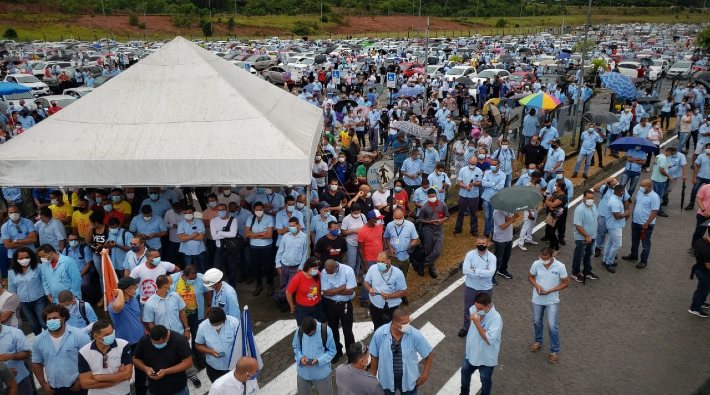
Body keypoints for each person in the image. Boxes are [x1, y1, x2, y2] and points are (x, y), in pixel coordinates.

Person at [369, 308, 433, 395]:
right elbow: (374, 356)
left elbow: (429, 354)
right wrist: (373, 377)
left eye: (408, 322)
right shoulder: (380, 334)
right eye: (404, 324)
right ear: (394, 323)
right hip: (386, 380)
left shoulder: (414, 334)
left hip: (409, 380)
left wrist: (425, 375)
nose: (407, 325)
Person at [31, 303, 91, 395]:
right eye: (49, 319)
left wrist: (81, 380)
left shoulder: (79, 336)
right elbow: (36, 363)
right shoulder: (39, 340)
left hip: (77, 386)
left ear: (63, 318)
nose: (52, 321)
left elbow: (90, 359)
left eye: (55, 318)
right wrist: (43, 384)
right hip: (54, 389)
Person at [528, 247, 569, 364]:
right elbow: (530, 276)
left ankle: (554, 351)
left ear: (551, 257)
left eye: (545, 258)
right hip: (537, 299)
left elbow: (566, 283)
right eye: (541, 257)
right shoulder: (537, 263)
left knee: (552, 326)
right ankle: (538, 341)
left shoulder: (560, 266)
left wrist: (552, 290)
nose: (542, 260)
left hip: (552, 301)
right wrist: (536, 286)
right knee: (536, 321)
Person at [460, 293, 502, 395]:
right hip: (471, 353)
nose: (477, 310)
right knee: (464, 373)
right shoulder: (474, 308)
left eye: (480, 308)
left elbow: (489, 340)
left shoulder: (496, 319)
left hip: (486, 357)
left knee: (485, 380)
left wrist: (478, 323)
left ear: (489, 306)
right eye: (476, 307)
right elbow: (471, 311)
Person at [78, 319, 134, 395]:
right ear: (96, 336)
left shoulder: (123, 345)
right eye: (107, 334)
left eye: (112, 332)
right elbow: (85, 384)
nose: (111, 336)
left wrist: (100, 377)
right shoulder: (84, 352)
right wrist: (118, 379)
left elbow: (127, 375)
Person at [133, 325, 193, 395]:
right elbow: (136, 359)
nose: (158, 346)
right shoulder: (144, 340)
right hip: (154, 389)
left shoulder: (180, 340)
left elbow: (188, 363)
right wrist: (145, 368)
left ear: (167, 335)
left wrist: (166, 371)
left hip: (178, 389)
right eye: (154, 343)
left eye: (161, 343)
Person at [459, 237, 495, 338]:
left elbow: (491, 273)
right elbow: (465, 270)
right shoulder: (470, 254)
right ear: (476, 243)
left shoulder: (492, 257)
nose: (481, 245)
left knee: (484, 310)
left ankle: (482, 328)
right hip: (470, 287)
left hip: (485, 289)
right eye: (479, 243)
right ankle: (466, 327)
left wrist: (475, 270)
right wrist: (483, 273)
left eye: (483, 243)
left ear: (487, 244)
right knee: (468, 309)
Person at [321, 259, 357, 363]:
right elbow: (325, 292)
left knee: (348, 331)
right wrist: (341, 288)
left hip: (345, 305)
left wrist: (332, 291)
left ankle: (352, 356)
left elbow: (350, 291)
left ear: (335, 268)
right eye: (326, 271)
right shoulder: (324, 271)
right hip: (330, 304)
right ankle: (337, 352)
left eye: (329, 272)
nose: (327, 273)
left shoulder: (348, 271)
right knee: (332, 329)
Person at [621, 179, 660, 269]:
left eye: (643, 186)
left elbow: (655, 212)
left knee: (645, 243)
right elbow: (636, 202)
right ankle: (634, 255)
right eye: (641, 185)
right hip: (636, 222)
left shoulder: (654, 197)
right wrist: (634, 214)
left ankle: (643, 261)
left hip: (645, 224)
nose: (641, 187)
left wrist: (647, 223)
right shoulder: (640, 192)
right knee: (634, 240)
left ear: (649, 187)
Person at [364, 252, 408, 331]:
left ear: (389, 261)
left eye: (382, 262)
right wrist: (369, 289)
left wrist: (389, 296)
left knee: (392, 330)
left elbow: (404, 292)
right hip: (375, 306)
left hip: (392, 308)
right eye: (378, 261)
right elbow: (366, 282)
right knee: (377, 329)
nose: (379, 264)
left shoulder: (398, 273)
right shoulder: (373, 268)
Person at [292, 316, 336, 395]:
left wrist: (319, 360)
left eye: (310, 334)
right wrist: (301, 357)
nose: (308, 336)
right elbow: (296, 347)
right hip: (303, 373)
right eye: (306, 334)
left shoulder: (326, 330)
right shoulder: (300, 330)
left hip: (322, 374)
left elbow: (332, 351)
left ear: (315, 328)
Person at [195, 307, 240, 382]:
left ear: (224, 320)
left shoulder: (234, 322)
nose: (216, 327)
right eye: (213, 324)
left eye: (218, 324)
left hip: (233, 367)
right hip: (214, 368)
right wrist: (210, 351)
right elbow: (198, 345)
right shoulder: (202, 327)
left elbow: (242, 341)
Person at [8, 247, 47, 335]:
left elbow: (45, 282)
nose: (24, 260)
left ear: (31, 257)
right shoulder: (11, 272)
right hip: (23, 302)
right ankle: (40, 342)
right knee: (33, 325)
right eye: (21, 258)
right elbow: (12, 290)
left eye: (26, 257)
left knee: (43, 322)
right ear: (16, 259)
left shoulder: (38, 267)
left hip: (39, 299)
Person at [143, 275, 190, 343]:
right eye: (170, 283)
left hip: (180, 334)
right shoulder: (149, 303)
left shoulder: (175, 296)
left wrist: (187, 329)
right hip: (164, 338)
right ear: (164, 286)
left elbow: (182, 312)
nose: (172, 285)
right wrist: (158, 338)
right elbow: (150, 323)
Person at [416, 189, 449, 278]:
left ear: (436, 195)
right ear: (427, 197)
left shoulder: (443, 204)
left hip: (439, 230)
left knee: (437, 251)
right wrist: (429, 222)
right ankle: (431, 268)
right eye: (430, 197)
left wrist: (441, 220)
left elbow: (447, 216)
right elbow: (419, 219)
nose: (432, 198)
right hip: (428, 231)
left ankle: (422, 263)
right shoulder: (424, 207)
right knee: (429, 250)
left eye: (433, 196)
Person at [245, 202, 275, 297]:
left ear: (263, 209)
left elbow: (269, 235)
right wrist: (262, 234)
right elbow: (247, 234)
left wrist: (253, 235)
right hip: (254, 247)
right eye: (256, 210)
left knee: (268, 267)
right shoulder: (250, 218)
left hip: (267, 247)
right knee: (256, 267)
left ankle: (270, 285)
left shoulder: (269, 218)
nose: (258, 211)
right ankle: (259, 285)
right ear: (253, 210)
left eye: (260, 209)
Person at [570, 190, 600, 283]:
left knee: (589, 255)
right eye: (588, 198)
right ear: (583, 198)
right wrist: (587, 236)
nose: (590, 200)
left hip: (593, 236)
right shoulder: (579, 209)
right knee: (579, 255)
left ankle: (587, 272)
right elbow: (578, 225)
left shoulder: (594, 206)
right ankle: (575, 273)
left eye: (592, 198)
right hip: (582, 238)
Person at [357, 210, 384, 305]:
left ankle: (377, 295)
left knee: (380, 277)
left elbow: (381, 239)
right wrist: (364, 264)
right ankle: (364, 298)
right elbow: (360, 249)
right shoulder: (362, 231)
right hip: (369, 260)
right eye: (378, 219)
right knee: (367, 279)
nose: (379, 220)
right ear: (371, 220)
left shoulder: (380, 226)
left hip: (380, 258)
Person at [383, 208, 419, 281]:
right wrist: (390, 248)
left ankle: (401, 288)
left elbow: (415, 239)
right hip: (393, 257)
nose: (398, 220)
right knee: (393, 276)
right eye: (396, 218)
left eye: (400, 218)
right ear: (393, 217)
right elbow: (386, 237)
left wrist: (411, 246)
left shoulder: (410, 225)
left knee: (403, 275)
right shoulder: (389, 225)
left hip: (405, 256)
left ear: (403, 216)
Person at [602, 185, 631, 273]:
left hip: (613, 225)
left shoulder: (615, 199)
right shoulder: (615, 201)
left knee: (610, 242)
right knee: (617, 244)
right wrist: (627, 213)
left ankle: (605, 259)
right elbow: (617, 216)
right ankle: (609, 262)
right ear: (622, 192)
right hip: (615, 226)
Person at [286, 257, 323, 325]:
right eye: (315, 268)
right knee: (303, 328)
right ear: (308, 267)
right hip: (303, 309)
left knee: (318, 326)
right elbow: (288, 292)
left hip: (317, 307)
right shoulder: (298, 278)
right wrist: (292, 305)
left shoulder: (318, 274)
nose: (317, 270)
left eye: (317, 268)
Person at [0, 317, 31, 395]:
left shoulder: (15, 332)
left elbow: (27, 353)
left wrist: (11, 356)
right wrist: (5, 373)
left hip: (20, 380)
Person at [455, 156, 483, 236]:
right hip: (463, 195)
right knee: (461, 212)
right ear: (468, 162)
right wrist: (465, 186)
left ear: (476, 163)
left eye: (474, 164)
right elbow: (459, 182)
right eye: (471, 163)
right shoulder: (462, 170)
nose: (472, 165)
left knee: (474, 213)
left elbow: (480, 182)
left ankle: (474, 229)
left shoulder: (479, 171)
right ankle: (458, 228)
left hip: (474, 196)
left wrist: (474, 184)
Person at [176, 206, 207, 273]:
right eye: (186, 213)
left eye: (189, 212)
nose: (188, 214)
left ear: (193, 213)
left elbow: (201, 237)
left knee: (202, 267)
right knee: (188, 269)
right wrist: (194, 235)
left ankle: (204, 282)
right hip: (187, 250)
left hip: (199, 249)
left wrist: (186, 236)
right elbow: (181, 238)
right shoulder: (181, 223)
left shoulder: (199, 222)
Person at [481, 160, 506, 238]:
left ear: (498, 165)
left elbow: (500, 187)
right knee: (487, 216)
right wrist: (494, 184)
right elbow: (483, 183)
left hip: (496, 199)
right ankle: (486, 231)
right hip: (486, 198)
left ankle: (493, 233)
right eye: (492, 164)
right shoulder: (487, 172)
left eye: (494, 165)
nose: (492, 166)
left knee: (493, 217)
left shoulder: (502, 175)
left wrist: (489, 184)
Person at [492, 209, 519, 280]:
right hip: (500, 239)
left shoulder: (508, 210)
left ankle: (502, 270)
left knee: (506, 257)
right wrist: (513, 217)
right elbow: (503, 226)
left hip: (508, 237)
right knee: (497, 259)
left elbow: (512, 221)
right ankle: (491, 276)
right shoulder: (497, 212)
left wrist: (511, 218)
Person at [689, 227, 710, 318]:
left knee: (704, 289)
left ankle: (701, 302)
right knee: (702, 290)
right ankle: (695, 308)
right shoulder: (707, 249)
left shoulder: (700, 241)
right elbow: (708, 265)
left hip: (700, 269)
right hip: (704, 272)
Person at [543, 181, 567, 255]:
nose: (555, 187)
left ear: (560, 187)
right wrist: (549, 203)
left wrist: (547, 201)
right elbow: (550, 202)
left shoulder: (563, 197)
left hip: (557, 216)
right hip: (552, 214)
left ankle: (557, 248)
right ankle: (551, 246)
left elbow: (552, 204)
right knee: (550, 230)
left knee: (551, 232)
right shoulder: (555, 193)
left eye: (556, 185)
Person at [649, 149, 670, 217]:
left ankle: (651, 208)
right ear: (668, 151)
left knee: (653, 194)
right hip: (660, 180)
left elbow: (657, 165)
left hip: (654, 178)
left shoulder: (658, 156)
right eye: (670, 153)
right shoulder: (664, 158)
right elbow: (661, 170)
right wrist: (668, 176)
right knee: (659, 196)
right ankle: (658, 210)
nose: (669, 155)